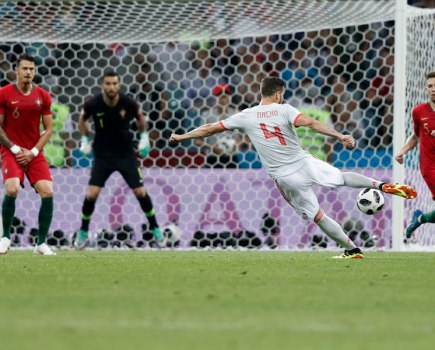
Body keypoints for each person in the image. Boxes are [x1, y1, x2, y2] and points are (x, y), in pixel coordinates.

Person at [170, 76, 417, 258]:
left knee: (318, 215)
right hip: (304, 161)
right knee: (341, 177)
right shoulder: (285, 109)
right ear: (278, 94)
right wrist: (339, 136)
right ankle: (383, 185)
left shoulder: (246, 115)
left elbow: (209, 128)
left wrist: (181, 137)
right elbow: (309, 122)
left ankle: (352, 250)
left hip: (285, 176)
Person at [74, 71, 165, 249]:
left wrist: (144, 138)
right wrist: (84, 139)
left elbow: (141, 119)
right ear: (103, 85)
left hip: (125, 154)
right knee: (92, 194)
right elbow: (82, 119)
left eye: (115, 83)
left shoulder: (128, 103)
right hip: (102, 155)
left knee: (140, 192)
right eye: (108, 83)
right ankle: (83, 232)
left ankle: (155, 228)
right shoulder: (93, 103)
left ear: (119, 84)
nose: (112, 87)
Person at [0, 53, 56, 255]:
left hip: (33, 152)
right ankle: (5, 237)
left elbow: (48, 129)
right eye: (24, 68)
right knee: (12, 188)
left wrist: (33, 152)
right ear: (16, 70)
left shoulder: (43, 96)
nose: (28, 72)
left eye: (31, 69)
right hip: (11, 150)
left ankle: (41, 243)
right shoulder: (4, 94)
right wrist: (15, 148)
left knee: (48, 191)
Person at [395, 71, 435, 240]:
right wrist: (402, 151)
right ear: (426, 89)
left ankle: (418, 219)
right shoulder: (419, 111)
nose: (433, 89)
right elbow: (416, 136)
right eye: (430, 86)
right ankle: (419, 219)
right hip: (430, 166)